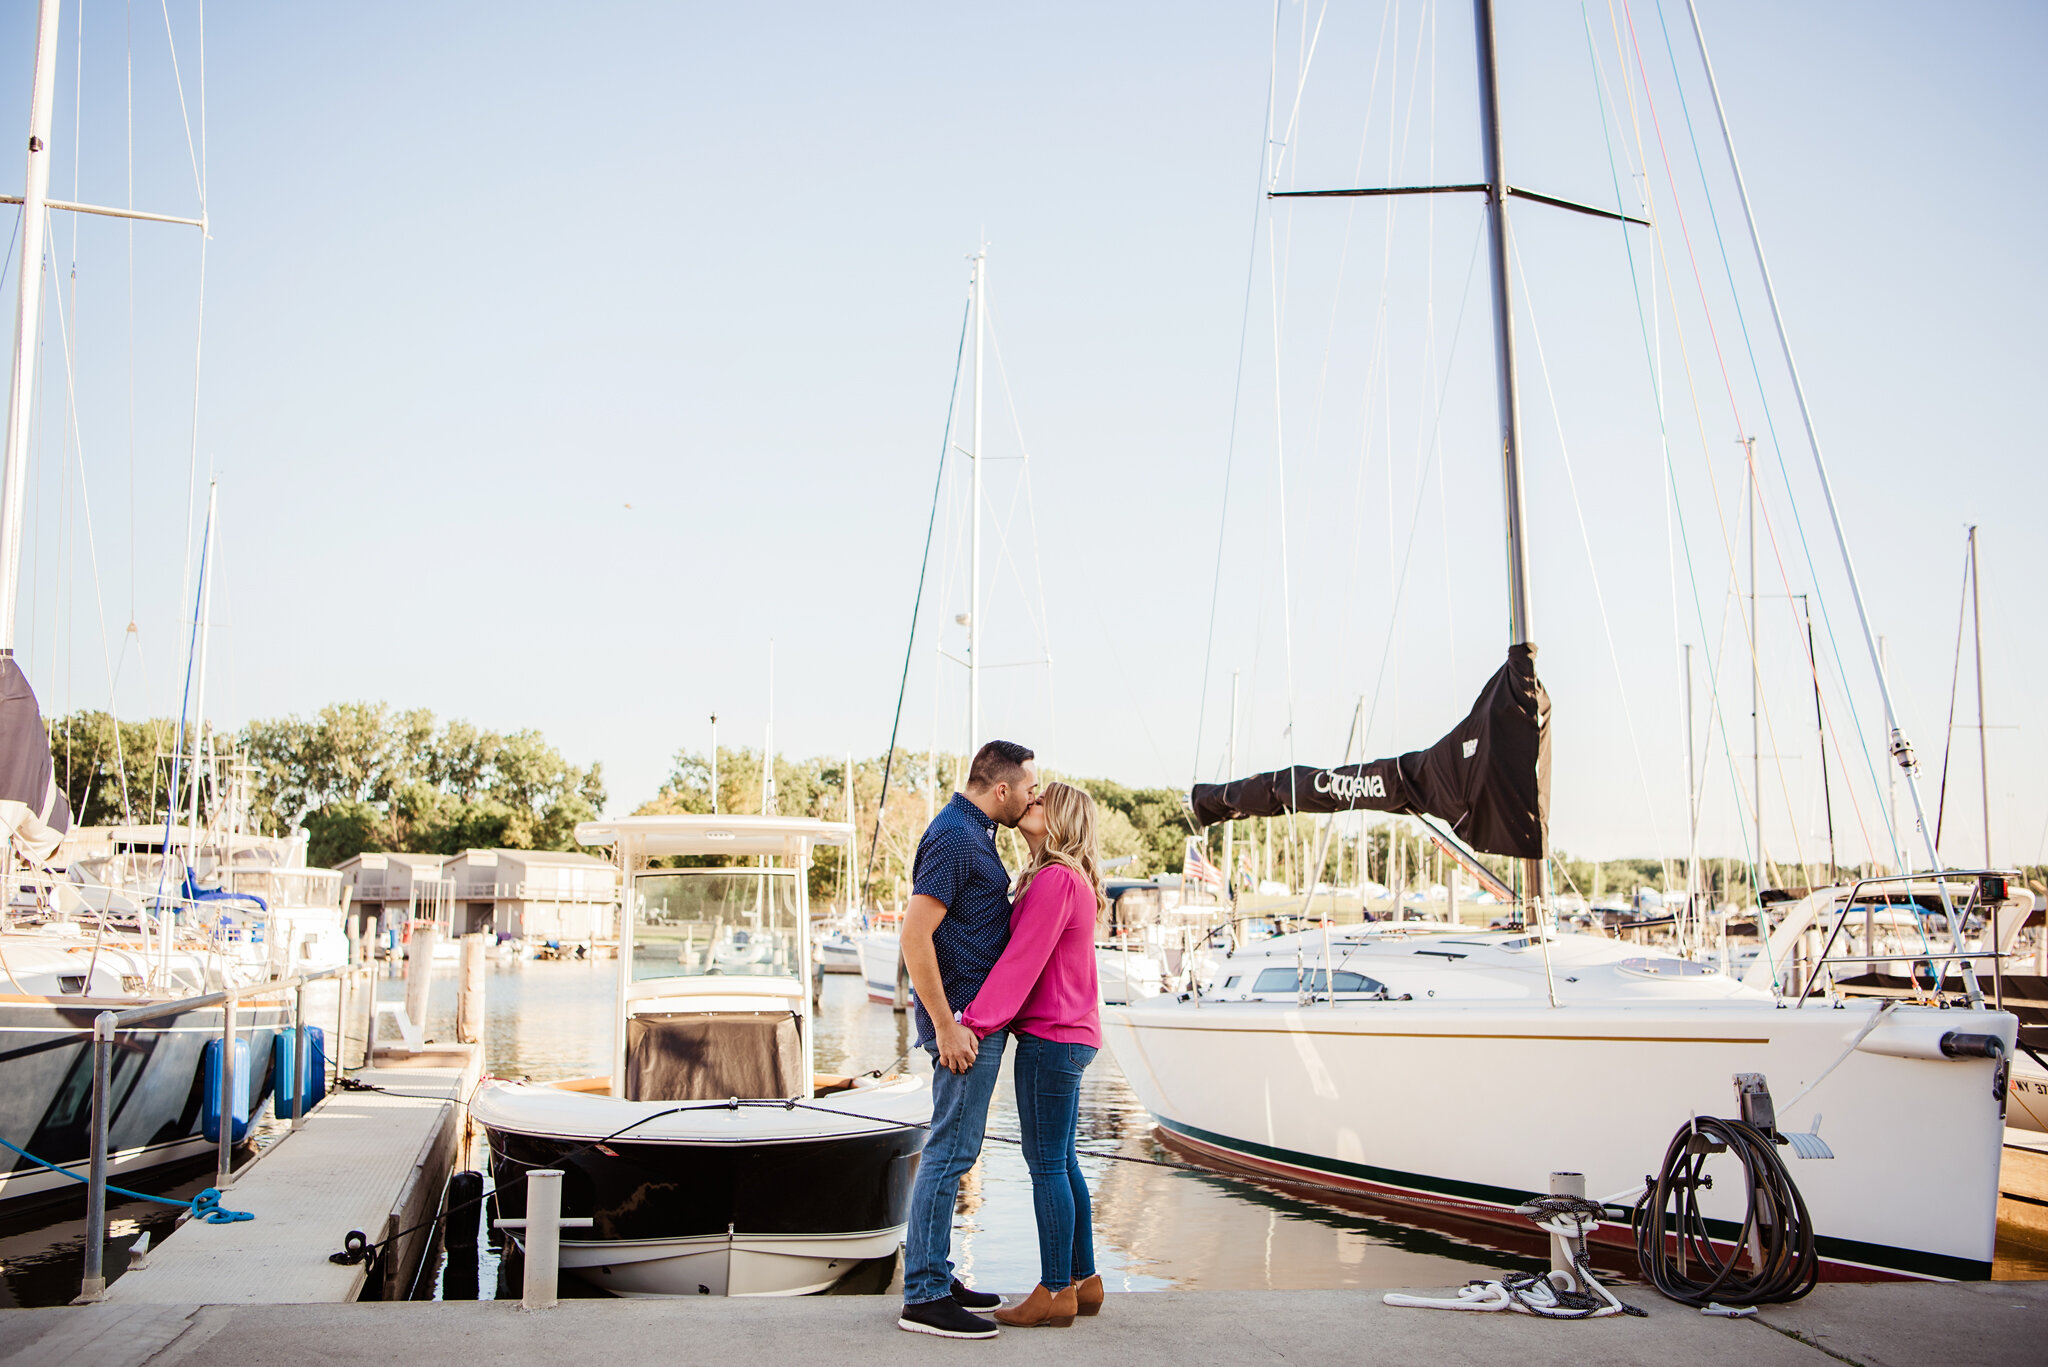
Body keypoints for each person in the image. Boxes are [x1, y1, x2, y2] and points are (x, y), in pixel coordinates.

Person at [896, 739, 1039, 1340]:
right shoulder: (956, 838)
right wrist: (948, 1024)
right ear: (1001, 788)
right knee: (950, 1150)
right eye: (1029, 788)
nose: (1035, 796)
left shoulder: (974, 832)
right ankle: (924, 1295)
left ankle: (938, 1271)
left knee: (958, 1149)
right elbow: (913, 935)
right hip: (963, 1028)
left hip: (974, 1023)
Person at [959, 781, 1105, 1328]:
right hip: (1069, 1035)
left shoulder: (1054, 880)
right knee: (1063, 1161)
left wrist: (971, 1022)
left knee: (1045, 1165)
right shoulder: (1070, 879)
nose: (1030, 803)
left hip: (1052, 1038)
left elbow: (1020, 963)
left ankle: (1053, 1292)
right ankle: (1084, 1281)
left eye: (1041, 802)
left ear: (1061, 819)